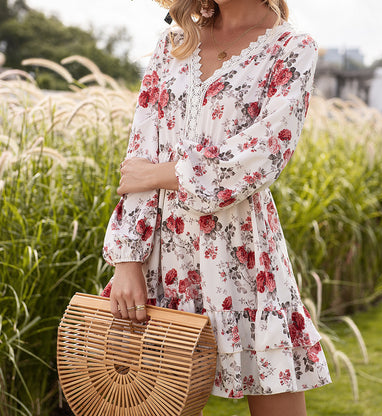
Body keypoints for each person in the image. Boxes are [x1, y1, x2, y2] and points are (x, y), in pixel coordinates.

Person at [101, 0, 333, 415]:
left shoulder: (291, 48)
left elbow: (263, 155)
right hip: (160, 255)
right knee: (149, 405)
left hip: (244, 256)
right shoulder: (172, 45)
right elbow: (138, 156)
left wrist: (160, 174)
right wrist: (126, 259)